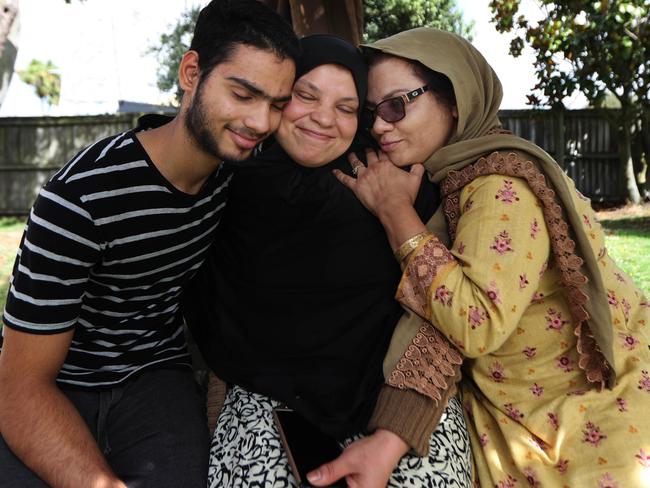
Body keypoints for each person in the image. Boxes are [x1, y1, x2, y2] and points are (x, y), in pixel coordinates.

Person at [333, 26, 650, 487]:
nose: (380, 125)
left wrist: (394, 212)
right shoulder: (469, 173)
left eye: (396, 105)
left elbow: (474, 323)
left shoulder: (500, 187)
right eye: (371, 113)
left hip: (575, 408)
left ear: (456, 100)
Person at [0, 1, 298, 487]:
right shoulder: (80, 199)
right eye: (243, 93)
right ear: (191, 71)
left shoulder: (233, 176)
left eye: (277, 104)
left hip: (153, 374)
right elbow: (19, 388)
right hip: (56, 382)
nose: (261, 122)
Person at [182, 34, 473, 488]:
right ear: (280, 98)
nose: (322, 118)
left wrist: (397, 430)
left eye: (346, 107)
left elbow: (445, 314)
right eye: (306, 95)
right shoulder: (225, 187)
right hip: (263, 394)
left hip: (396, 396)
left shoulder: (403, 187)